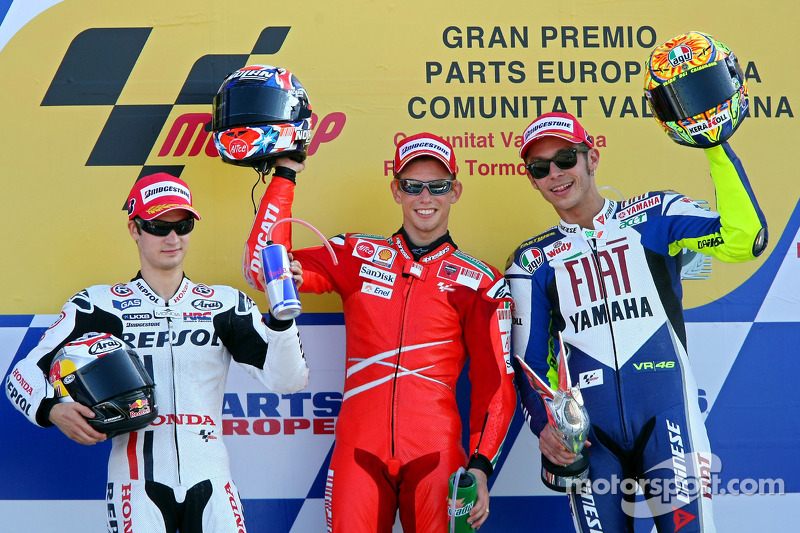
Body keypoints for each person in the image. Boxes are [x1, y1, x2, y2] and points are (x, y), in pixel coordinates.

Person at [505, 112, 767, 532]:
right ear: (533, 180)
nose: (555, 173)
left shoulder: (654, 215)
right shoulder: (531, 262)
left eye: (566, 158)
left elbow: (744, 240)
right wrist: (545, 427)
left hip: (669, 419)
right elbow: (528, 363)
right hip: (589, 438)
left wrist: (716, 148)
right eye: (540, 168)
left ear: (592, 157)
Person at [5, 172, 309, 533]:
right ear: (134, 229)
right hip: (134, 484)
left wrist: (281, 319)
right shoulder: (97, 305)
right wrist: (51, 408)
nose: (172, 238)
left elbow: (290, 381)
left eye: (182, 225)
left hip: (211, 477)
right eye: (157, 226)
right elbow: (21, 374)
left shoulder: (224, 304)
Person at [242, 133, 517, 531]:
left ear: (455, 191)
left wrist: (480, 465)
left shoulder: (480, 282)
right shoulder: (356, 254)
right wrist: (284, 176)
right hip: (359, 454)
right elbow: (261, 268)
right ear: (396, 190)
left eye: (438, 186)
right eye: (412, 185)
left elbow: (495, 384)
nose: (425, 197)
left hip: (436, 457)